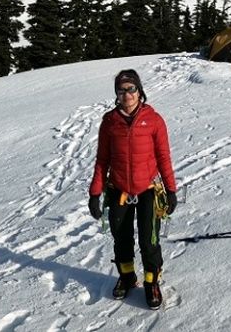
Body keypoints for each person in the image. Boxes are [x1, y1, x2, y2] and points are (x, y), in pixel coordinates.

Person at [88, 69, 178, 309]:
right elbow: (102, 160)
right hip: (118, 190)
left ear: (139, 91)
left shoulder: (154, 120)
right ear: (116, 94)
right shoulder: (110, 122)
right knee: (122, 239)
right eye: (121, 90)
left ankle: (152, 282)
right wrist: (95, 193)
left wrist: (171, 190)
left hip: (148, 188)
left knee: (150, 241)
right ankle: (127, 277)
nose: (127, 94)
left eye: (131, 89)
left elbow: (163, 157)